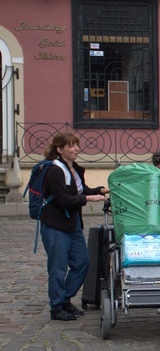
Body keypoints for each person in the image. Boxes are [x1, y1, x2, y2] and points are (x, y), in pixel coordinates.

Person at [40, 132, 109, 321]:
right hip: (55, 225)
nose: (76, 149)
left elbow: (80, 190)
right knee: (58, 268)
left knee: (82, 262)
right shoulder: (55, 170)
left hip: (73, 224)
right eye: (71, 146)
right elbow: (64, 199)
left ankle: (64, 300)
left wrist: (99, 190)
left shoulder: (74, 168)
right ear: (59, 149)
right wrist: (89, 198)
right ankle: (57, 307)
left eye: (77, 145)